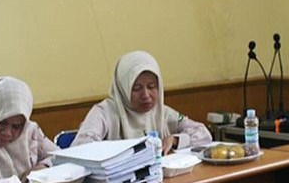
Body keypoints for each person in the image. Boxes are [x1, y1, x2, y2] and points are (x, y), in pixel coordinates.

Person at [72, 51, 212, 151]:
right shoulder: (104, 113)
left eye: (152, 87)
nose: (146, 95)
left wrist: (175, 140)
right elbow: (80, 147)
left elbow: (203, 133)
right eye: (136, 88)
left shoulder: (161, 112)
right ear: (123, 88)